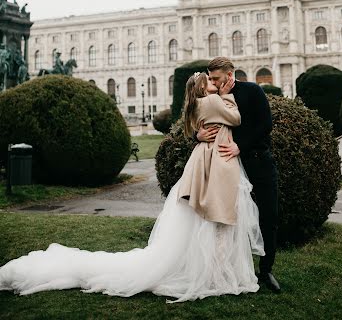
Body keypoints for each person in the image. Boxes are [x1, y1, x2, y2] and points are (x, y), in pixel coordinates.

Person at [0, 72, 264, 302]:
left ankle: (210, 271)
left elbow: (202, 124)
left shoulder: (197, 104)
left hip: (205, 164)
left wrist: (198, 132)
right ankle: (212, 274)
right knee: (208, 220)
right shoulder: (211, 101)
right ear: (202, 88)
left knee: (200, 224)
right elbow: (235, 117)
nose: (215, 82)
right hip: (208, 166)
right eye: (210, 81)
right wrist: (228, 93)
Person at [200, 56, 281, 293]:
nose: (213, 82)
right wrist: (197, 136)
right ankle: (233, 269)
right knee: (229, 220)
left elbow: (265, 124)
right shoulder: (212, 96)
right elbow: (199, 120)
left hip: (257, 161)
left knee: (269, 215)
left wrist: (240, 145)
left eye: (216, 78)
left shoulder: (252, 91)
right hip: (227, 167)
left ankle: (266, 270)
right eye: (211, 78)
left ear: (230, 74)